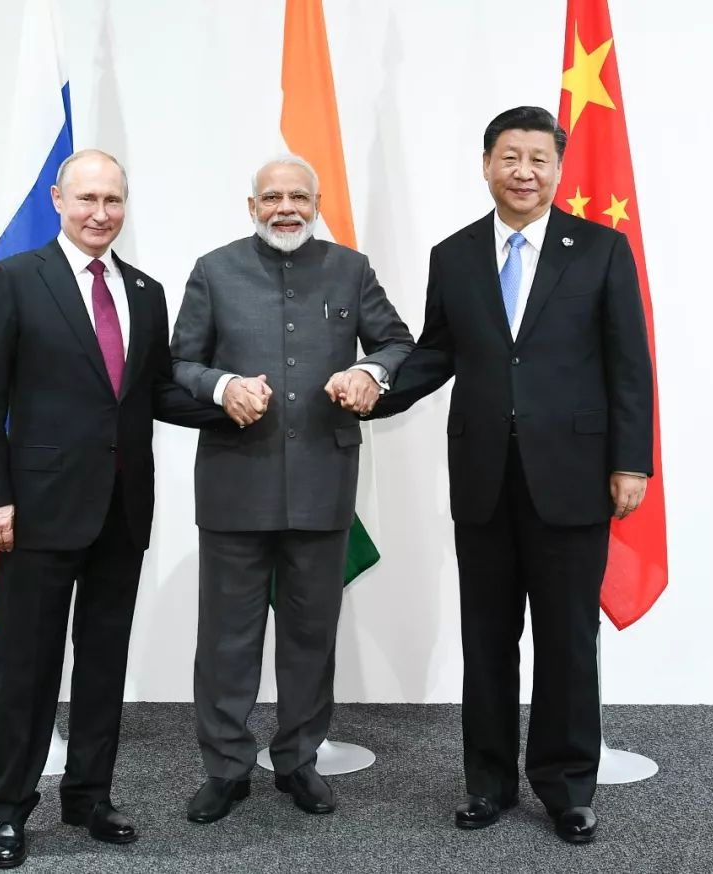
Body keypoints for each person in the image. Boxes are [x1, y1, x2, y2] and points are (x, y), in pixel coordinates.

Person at [372, 107, 654, 844]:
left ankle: (567, 787)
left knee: (567, 641)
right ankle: (488, 783)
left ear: (557, 169)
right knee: (488, 639)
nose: (524, 172)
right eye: (510, 157)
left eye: (538, 159)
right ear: (486, 165)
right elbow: (436, 353)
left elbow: (629, 362)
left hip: (574, 476)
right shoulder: (454, 255)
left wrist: (631, 461)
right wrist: (374, 388)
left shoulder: (601, 249)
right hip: (484, 478)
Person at [0, 149, 243, 868]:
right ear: (58, 199)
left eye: (113, 200)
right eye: (87, 198)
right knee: (26, 668)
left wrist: (227, 400)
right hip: (36, 512)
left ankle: (89, 796)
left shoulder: (145, 291)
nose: (100, 213)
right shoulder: (13, 280)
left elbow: (154, 393)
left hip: (121, 509)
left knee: (102, 662)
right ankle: (9, 809)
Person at [170, 154, 413, 823]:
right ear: (251, 207)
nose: (286, 208)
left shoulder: (350, 269)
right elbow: (178, 361)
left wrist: (369, 371)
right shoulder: (213, 270)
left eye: (298, 197)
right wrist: (221, 386)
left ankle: (299, 761)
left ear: (316, 204)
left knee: (311, 634)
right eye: (272, 197)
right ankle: (226, 768)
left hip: (322, 483)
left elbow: (398, 343)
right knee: (227, 640)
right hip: (234, 484)